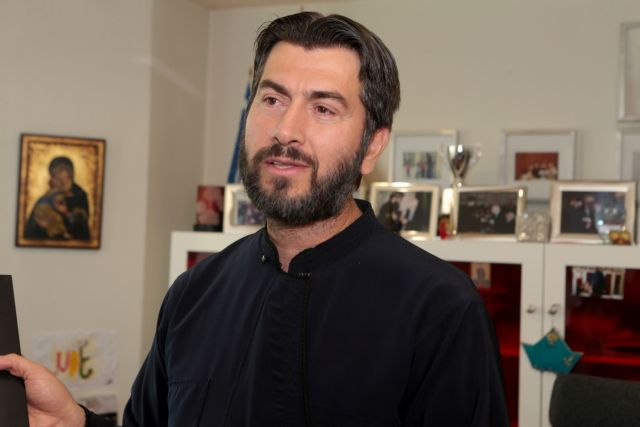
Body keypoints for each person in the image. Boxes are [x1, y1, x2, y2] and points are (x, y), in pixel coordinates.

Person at [0, 12, 509, 426]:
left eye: (323, 109)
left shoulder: (440, 309)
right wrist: (75, 423)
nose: (286, 129)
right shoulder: (193, 293)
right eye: (271, 99)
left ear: (372, 145)